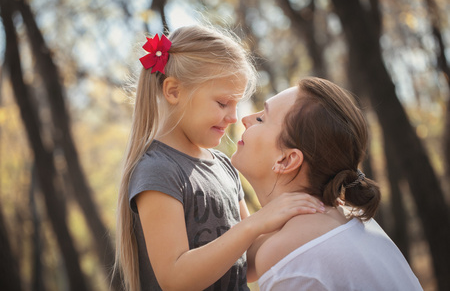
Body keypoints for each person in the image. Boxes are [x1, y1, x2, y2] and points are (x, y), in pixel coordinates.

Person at [114, 26, 325, 291]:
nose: (234, 117)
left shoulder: (224, 166)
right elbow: (175, 279)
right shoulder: (158, 169)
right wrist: (255, 224)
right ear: (174, 91)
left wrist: (299, 220)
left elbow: (247, 263)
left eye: (237, 104)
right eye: (223, 103)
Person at [231, 77, 423, 290]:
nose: (246, 118)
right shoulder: (349, 218)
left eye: (261, 119)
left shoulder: (286, 249)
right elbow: (240, 261)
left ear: (286, 159)